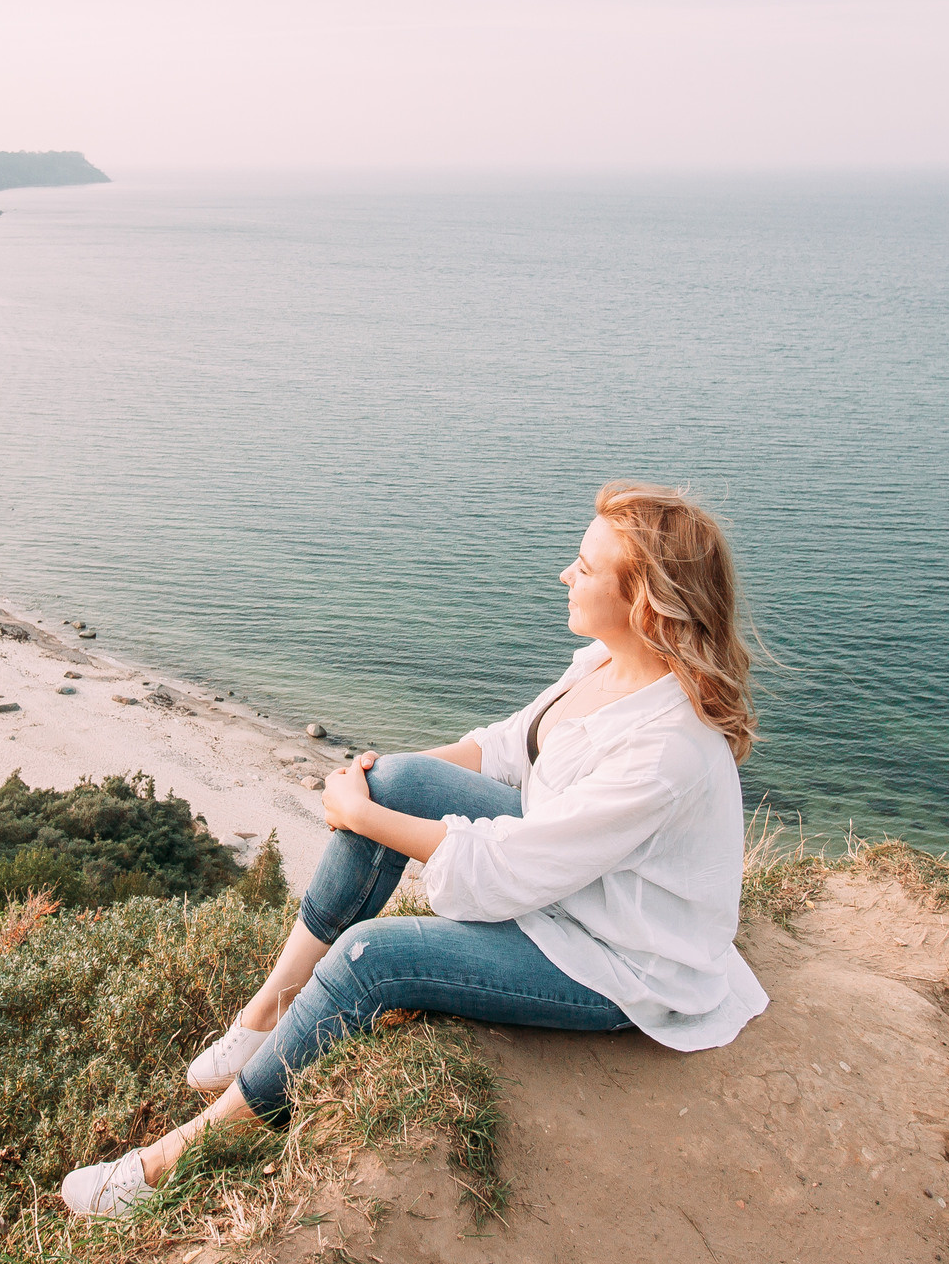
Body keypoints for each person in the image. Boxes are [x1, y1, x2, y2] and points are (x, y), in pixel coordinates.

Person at [62, 480, 769, 1216]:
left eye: (586, 568)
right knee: (395, 780)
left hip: (619, 958)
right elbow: (505, 746)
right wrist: (379, 781)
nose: (565, 573)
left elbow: (506, 867)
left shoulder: (664, 749)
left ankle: (166, 1166)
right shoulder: (607, 663)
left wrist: (365, 819)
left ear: (645, 603)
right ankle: (268, 1012)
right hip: (575, 884)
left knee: (376, 959)